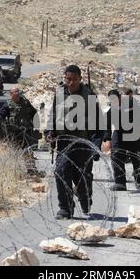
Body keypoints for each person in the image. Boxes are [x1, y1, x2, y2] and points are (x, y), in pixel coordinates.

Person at [46, 65, 103, 219]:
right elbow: (53, 115)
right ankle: (65, 207)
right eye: (68, 79)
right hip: (64, 142)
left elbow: (98, 123)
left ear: (80, 79)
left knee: (81, 177)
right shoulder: (59, 94)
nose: (70, 83)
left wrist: (96, 147)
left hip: (83, 143)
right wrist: (49, 132)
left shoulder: (89, 96)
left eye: (74, 80)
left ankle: (84, 197)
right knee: (61, 172)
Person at [103, 88, 140, 191]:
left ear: (119, 97)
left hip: (134, 133)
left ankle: (138, 178)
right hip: (119, 134)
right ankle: (120, 183)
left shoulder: (132, 103)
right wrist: (107, 138)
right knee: (116, 156)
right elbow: (107, 124)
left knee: (136, 157)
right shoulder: (111, 109)